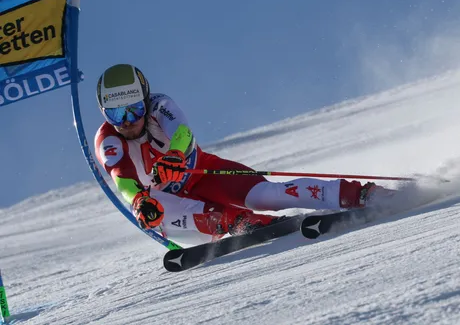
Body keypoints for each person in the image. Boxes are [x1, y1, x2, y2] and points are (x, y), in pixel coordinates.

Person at [94, 64, 382, 246]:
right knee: (153, 207)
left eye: (134, 109)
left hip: (203, 173)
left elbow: (182, 132)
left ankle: (360, 194)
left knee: (267, 195)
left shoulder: (160, 105)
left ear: (145, 101)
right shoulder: (108, 138)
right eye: (117, 113)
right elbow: (122, 177)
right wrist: (139, 200)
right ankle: (242, 223)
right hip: (170, 205)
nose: (128, 120)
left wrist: (175, 157)